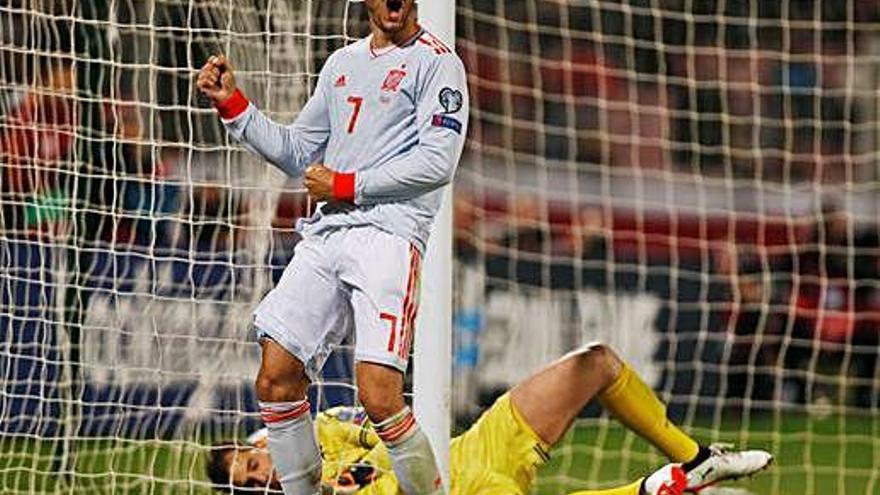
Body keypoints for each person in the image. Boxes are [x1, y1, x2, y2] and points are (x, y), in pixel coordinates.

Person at [196, 1, 468, 493]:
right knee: (275, 376)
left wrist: (346, 184)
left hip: (389, 236)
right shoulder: (342, 64)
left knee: (379, 396)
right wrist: (234, 106)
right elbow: (299, 151)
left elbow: (437, 163)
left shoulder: (439, 64)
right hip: (327, 233)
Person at [207, 343, 773, 495]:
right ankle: (657, 489)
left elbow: (386, 426)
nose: (264, 473)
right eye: (253, 482)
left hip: (476, 450)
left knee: (594, 363)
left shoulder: (322, 431)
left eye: (254, 462)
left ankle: (694, 461)